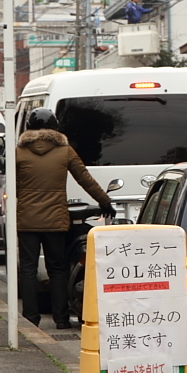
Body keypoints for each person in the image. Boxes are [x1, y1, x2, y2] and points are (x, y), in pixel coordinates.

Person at [16, 107, 115, 330]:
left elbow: (13, 186)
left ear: (29, 128)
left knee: (28, 269)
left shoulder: (19, 152)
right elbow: (84, 178)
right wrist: (104, 201)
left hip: (27, 220)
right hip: (55, 219)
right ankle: (61, 319)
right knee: (58, 268)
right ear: (55, 127)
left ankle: (30, 319)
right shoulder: (65, 151)